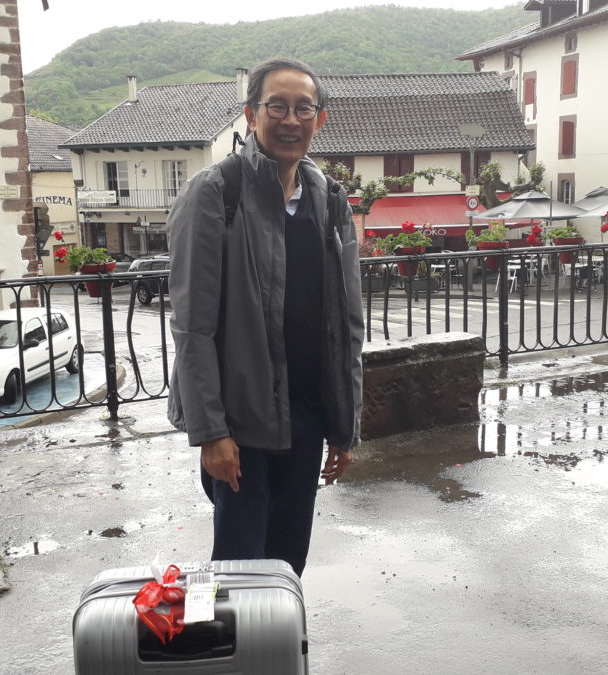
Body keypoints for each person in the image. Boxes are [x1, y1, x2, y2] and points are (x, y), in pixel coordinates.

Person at [166, 58, 364, 577]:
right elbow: (192, 325)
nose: (291, 119)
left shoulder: (329, 200)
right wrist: (210, 432)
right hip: (241, 424)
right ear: (251, 114)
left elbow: (345, 323)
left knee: (287, 563)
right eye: (277, 106)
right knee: (237, 569)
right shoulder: (215, 193)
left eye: (304, 108)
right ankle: (233, 656)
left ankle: (277, 649)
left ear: (320, 120)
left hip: (306, 418)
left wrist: (345, 425)